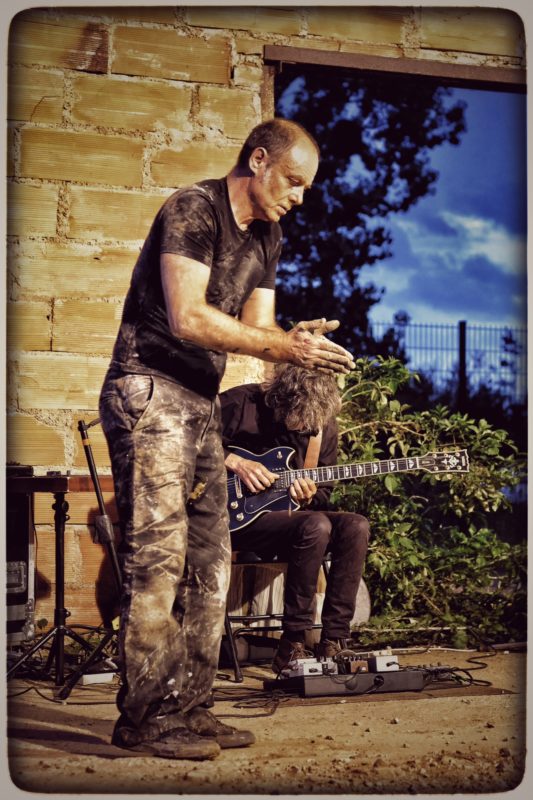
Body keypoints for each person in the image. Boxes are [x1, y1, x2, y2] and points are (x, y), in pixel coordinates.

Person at [98, 117, 355, 760]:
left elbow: (259, 331)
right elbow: (187, 317)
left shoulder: (269, 235)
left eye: (306, 186)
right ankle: (144, 718)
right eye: (293, 180)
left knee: (211, 562)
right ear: (258, 160)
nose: (299, 196)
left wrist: (295, 342)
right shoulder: (195, 208)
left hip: (201, 403)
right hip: (149, 388)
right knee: (158, 561)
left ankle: (190, 708)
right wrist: (281, 346)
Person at [220, 364, 370, 673]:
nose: (305, 426)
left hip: (287, 523)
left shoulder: (320, 425)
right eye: (299, 418)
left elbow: (323, 493)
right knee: (315, 525)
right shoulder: (240, 403)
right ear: (281, 399)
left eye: (311, 422)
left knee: (355, 526)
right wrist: (235, 462)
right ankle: (293, 642)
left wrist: (307, 496)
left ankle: (335, 640)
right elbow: (187, 438)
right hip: (228, 517)